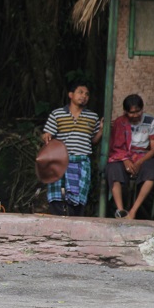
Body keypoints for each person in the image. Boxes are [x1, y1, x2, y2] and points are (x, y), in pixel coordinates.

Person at [41, 79, 103, 216]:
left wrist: (101, 131)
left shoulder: (92, 117)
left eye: (87, 94)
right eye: (80, 92)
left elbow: (93, 141)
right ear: (71, 95)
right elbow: (48, 135)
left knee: (79, 199)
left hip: (82, 161)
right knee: (58, 197)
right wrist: (46, 136)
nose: (84, 96)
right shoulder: (57, 114)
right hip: (61, 161)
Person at [106, 94, 154, 219]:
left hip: (145, 155)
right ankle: (120, 211)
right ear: (125, 112)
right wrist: (126, 160)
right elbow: (116, 147)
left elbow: (153, 150)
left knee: (152, 172)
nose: (135, 115)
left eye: (138, 111)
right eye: (132, 113)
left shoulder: (151, 121)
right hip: (123, 155)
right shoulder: (120, 122)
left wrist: (139, 162)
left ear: (143, 109)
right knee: (113, 169)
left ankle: (133, 211)